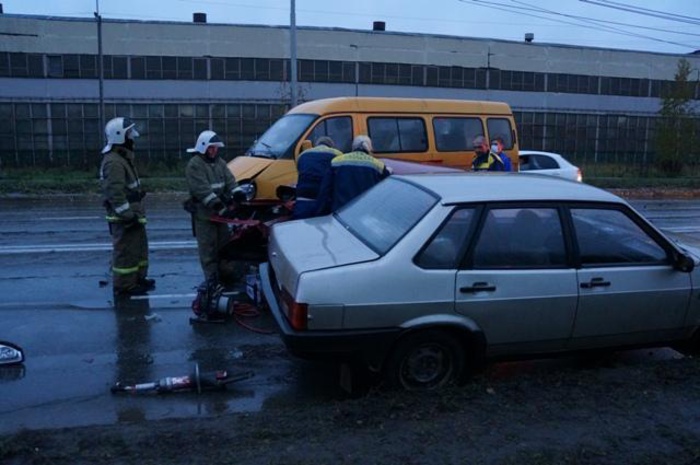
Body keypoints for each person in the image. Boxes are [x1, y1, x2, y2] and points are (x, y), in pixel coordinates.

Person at [99, 117, 155, 296]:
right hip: (125, 218)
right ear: (120, 136)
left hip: (133, 215)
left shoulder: (123, 158)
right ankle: (125, 286)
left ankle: (137, 279)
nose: (133, 137)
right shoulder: (114, 161)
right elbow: (115, 193)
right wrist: (128, 215)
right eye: (130, 134)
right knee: (125, 253)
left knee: (138, 250)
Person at [184, 130, 240, 281]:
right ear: (203, 147)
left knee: (224, 244)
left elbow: (230, 180)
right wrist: (220, 208)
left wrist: (237, 192)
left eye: (215, 147)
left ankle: (226, 273)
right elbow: (202, 191)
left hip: (219, 213)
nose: (214, 150)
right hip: (204, 214)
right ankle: (212, 278)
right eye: (211, 147)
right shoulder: (194, 165)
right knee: (208, 247)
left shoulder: (219, 162)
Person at [314, 135, 391, 216]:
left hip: (340, 213)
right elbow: (386, 195)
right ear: (370, 148)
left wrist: (320, 213)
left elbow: (325, 190)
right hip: (365, 215)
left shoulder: (336, 161)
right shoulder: (378, 166)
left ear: (353, 146)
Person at [292, 136, 343, 219]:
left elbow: (300, 171)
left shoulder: (303, 155)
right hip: (323, 196)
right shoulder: (338, 154)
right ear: (331, 146)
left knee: (300, 223)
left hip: (303, 196)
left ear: (316, 145)